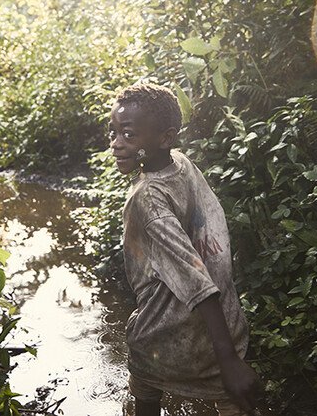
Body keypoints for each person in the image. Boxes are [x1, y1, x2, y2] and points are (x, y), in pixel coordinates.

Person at [108, 82, 263, 416]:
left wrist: (229, 361)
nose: (117, 145)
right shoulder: (180, 163)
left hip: (167, 334)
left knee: (147, 393)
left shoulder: (147, 198)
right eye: (114, 133)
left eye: (129, 135)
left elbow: (194, 277)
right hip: (225, 323)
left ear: (165, 138)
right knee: (232, 402)